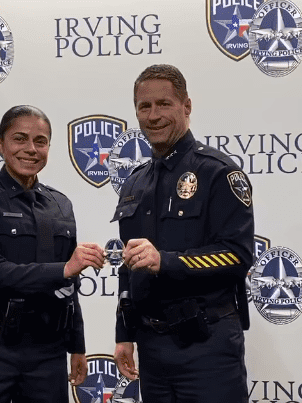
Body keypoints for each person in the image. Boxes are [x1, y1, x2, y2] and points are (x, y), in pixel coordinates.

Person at [112, 64, 254, 402]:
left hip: (207, 347)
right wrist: (124, 334)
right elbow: (128, 267)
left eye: (164, 104)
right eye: (144, 107)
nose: (153, 115)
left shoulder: (218, 173)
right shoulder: (134, 182)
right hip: (152, 349)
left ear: (186, 106)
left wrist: (166, 261)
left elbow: (238, 254)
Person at [0, 105, 106, 403]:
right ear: (1, 144)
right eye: (19, 139)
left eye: (40, 141)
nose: (30, 149)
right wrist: (64, 269)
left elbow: (69, 287)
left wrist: (77, 345)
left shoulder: (60, 204)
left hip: (46, 348)